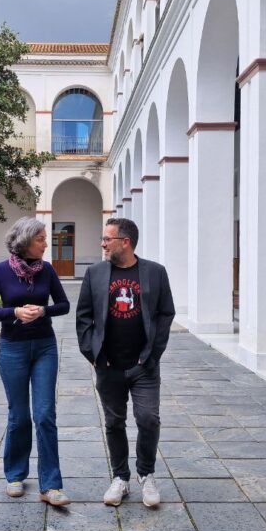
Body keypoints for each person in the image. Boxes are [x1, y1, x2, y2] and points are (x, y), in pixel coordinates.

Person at [76, 217, 175, 507]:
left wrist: (152, 355)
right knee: (114, 422)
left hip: (143, 366)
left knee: (148, 420)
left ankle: (146, 474)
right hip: (108, 365)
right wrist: (92, 354)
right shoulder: (95, 273)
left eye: (108, 239)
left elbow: (165, 314)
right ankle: (120, 478)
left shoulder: (155, 273)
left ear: (125, 241)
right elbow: (83, 317)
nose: (103, 244)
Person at [0, 217, 71, 506]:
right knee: (18, 416)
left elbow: (64, 304)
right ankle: (15, 475)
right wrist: (15, 312)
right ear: (25, 241)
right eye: (41, 239)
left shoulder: (46, 270)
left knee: (45, 415)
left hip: (45, 347)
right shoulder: (0, 271)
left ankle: (51, 485)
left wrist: (43, 311)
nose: (47, 243)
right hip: (13, 350)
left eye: (46, 238)